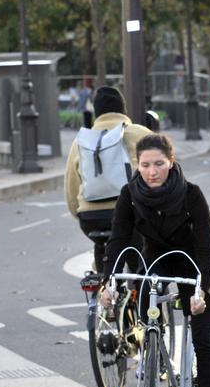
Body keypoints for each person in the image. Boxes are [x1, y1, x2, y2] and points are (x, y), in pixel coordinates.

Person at [101, 134, 210, 387]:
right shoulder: (129, 195)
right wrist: (108, 281)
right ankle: (155, 351)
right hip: (157, 257)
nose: (152, 171)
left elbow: (206, 246)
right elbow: (116, 241)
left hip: (198, 261)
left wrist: (203, 291)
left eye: (159, 164)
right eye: (145, 165)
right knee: (145, 310)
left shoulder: (191, 194)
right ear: (137, 165)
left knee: (202, 333)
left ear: (171, 162)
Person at [64, 86, 152, 273]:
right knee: (143, 271)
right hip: (132, 215)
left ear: (96, 113)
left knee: (104, 255)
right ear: (123, 110)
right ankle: (141, 293)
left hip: (91, 219)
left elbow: (71, 191)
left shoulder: (81, 141)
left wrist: (82, 212)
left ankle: (102, 292)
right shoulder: (139, 133)